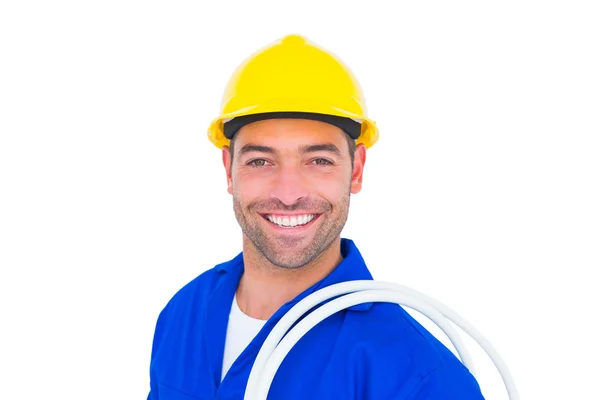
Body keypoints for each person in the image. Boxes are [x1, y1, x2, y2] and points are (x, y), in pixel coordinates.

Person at [147, 34, 485, 399]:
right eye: (260, 161)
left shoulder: (418, 374)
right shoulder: (183, 313)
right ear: (229, 170)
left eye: (319, 161)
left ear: (356, 171)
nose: (288, 193)